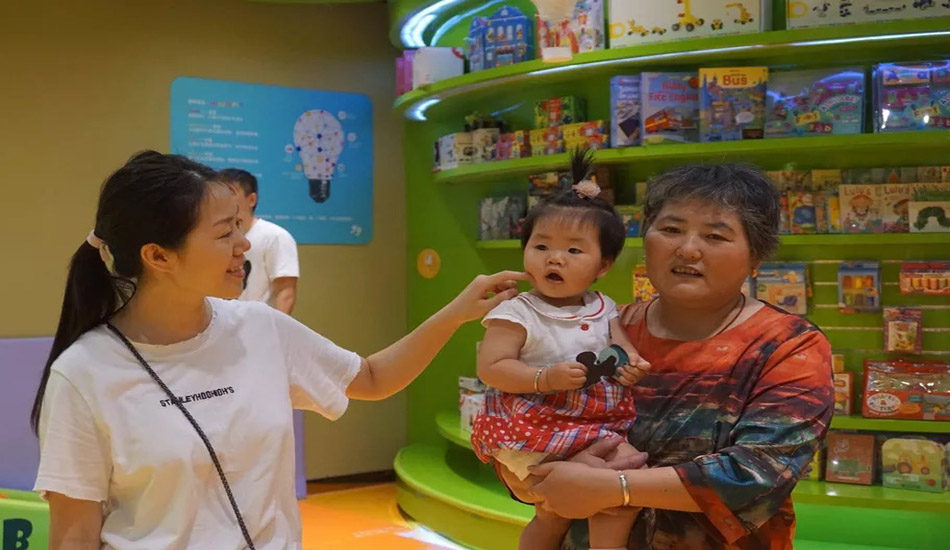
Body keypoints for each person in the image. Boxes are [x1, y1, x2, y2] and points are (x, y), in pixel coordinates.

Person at [30, 151, 527, 550]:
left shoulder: (259, 327)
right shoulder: (85, 372)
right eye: (224, 233)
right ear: (158, 256)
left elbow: (373, 378)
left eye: (240, 226)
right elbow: (75, 535)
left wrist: (456, 312)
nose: (243, 245)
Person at [522, 163, 835, 550]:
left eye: (715, 236)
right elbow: (523, 423)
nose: (687, 249)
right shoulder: (599, 328)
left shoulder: (787, 345)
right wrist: (550, 474)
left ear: (755, 257)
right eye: (670, 230)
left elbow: (759, 473)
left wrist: (616, 487)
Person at [471, 150, 652, 550]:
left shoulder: (603, 306)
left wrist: (632, 364)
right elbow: (492, 367)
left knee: (625, 481)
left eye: (574, 251)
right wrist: (544, 377)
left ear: (603, 266)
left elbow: (620, 346)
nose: (555, 258)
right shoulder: (517, 311)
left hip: (594, 423)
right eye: (541, 246)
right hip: (533, 425)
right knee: (554, 509)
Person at [217, 168, 299, 315]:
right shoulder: (214, 235)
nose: (224, 199)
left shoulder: (276, 236)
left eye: (230, 192)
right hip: (222, 320)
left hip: (258, 322)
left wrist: (276, 328)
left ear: (252, 200)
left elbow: (285, 291)